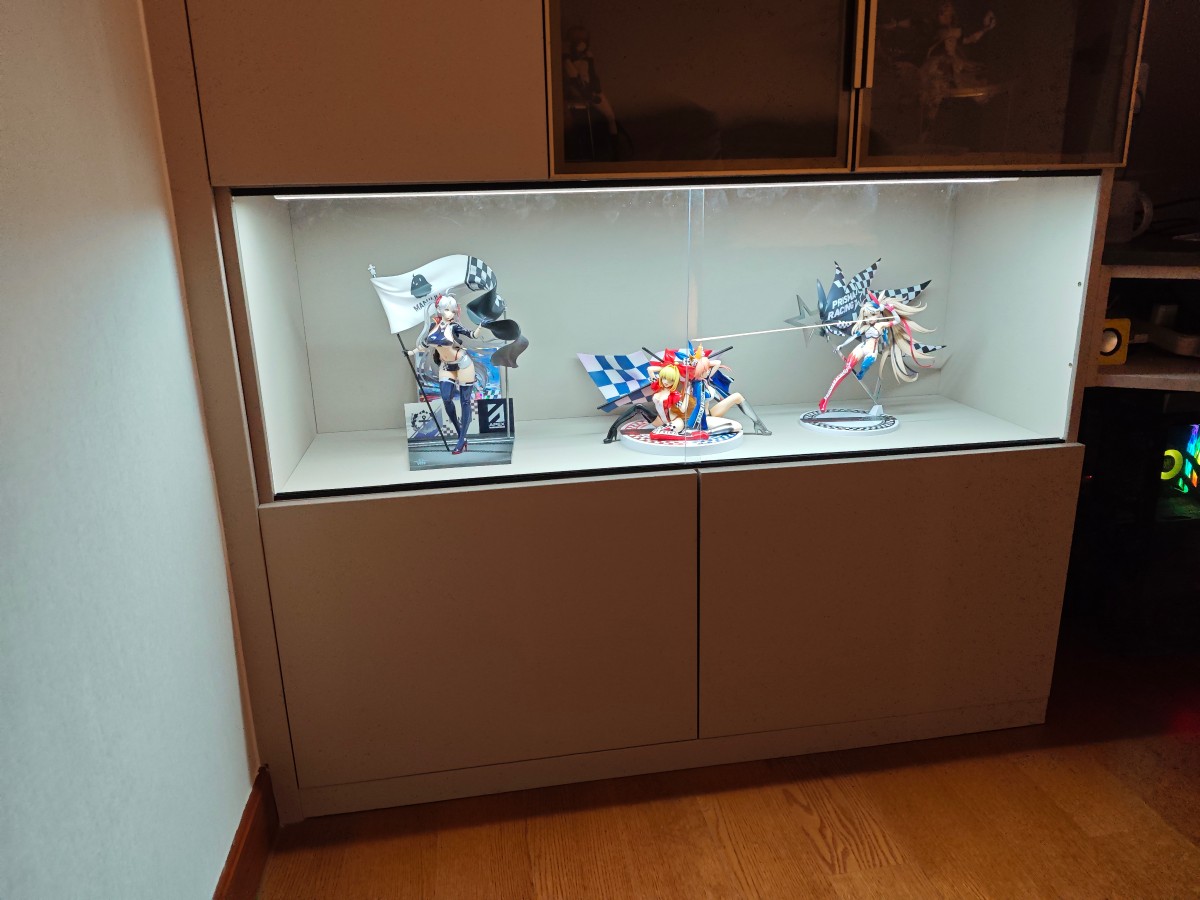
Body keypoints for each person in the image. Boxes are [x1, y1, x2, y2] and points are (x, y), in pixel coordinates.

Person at [409, 294, 480, 454]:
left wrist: (481, 326)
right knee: (446, 398)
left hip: (463, 364)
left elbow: (471, 334)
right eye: (447, 310)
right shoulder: (432, 326)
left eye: (453, 311)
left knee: (465, 401)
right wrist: (411, 352)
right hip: (446, 366)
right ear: (439, 310)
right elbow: (424, 345)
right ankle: (461, 434)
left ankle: (461, 439)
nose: (450, 314)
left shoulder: (454, 326)